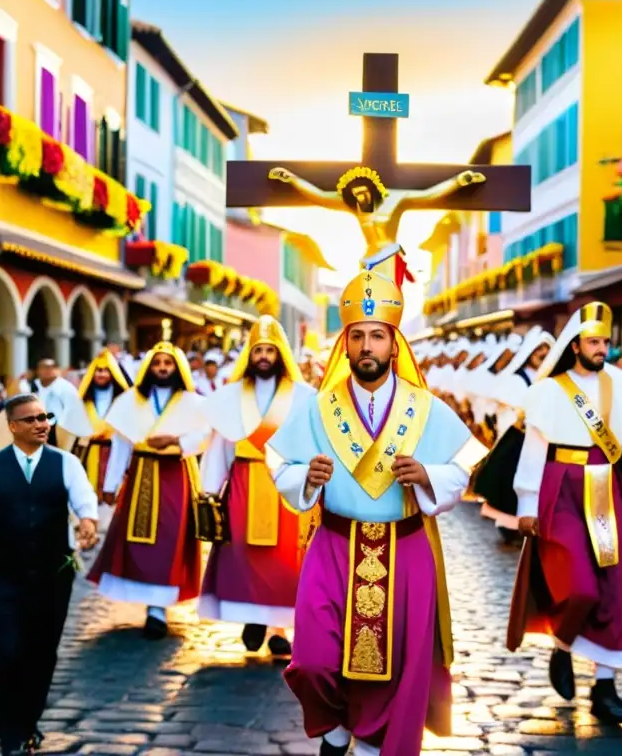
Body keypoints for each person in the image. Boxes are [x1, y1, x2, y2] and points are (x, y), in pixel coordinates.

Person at [267, 268, 487, 756]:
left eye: (377, 336)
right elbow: (279, 460)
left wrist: (429, 476)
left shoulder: (425, 407)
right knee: (313, 661)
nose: (367, 345)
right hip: (334, 546)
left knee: (393, 670)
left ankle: (370, 745)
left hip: (404, 548)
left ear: (394, 344)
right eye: (358, 336)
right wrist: (306, 477)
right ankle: (335, 728)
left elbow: (465, 464)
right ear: (345, 345)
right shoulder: (320, 408)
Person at [507, 303, 622, 721]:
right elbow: (535, 448)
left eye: (606, 342)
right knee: (578, 585)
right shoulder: (549, 390)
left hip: (605, 488)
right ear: (575, 344)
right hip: (559, 490)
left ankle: (603, 686)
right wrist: (526, 501)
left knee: (617, 585)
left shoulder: (619, 384)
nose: (602, 349)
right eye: (594, 342)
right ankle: (563, 648)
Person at [0, 393, 98, 756]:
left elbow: (84, 499)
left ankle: (29, 723)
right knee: (7, 652)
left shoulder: (66, 463)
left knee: (43, 653)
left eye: (44, 417)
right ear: (12, 426)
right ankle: (9, 734)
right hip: (3, 577)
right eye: (30, 419)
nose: (41, 423)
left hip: (52, 577)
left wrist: (88, 521)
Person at [198, 317, 315, 654]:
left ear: (281, 355)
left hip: (285, 486)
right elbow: (220, 444)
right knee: (244, 557)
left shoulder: (303, 396)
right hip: (243, 484)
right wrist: (209, 489)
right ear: (250, 355)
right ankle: (254, 618)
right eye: (258, 350)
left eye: (270, 350)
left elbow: (310, 442)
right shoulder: (230, 397)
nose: (264, 356)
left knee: (282, 562)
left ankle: (279, 629)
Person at [87, 339, 210, 638]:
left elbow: (206, 434)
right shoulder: (131, 401)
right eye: (157, 364)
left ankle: (159, 610)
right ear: (149, 368)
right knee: (137, 540)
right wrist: (111, 484)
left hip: (176, 476)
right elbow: (120, 445)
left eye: (168, 364)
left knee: (170, 539)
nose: (163, 368)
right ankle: (150, 607)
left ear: (177, 368)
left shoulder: (193, 402)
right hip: (141, 473)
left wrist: (175, 442)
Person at [474, 326, 553, 536]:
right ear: (529, 354)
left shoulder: (550, 380)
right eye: (538, 350)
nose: (542, 355)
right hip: (518, 439)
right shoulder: (517, 380)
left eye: (547, 350)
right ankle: (511, 527)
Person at [73, 350, 130, 530]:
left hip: (115, 452)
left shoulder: (122, 399)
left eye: (106, 370)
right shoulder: (84, 400)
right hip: (88, 452)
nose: (101, 374)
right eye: (98, 370)